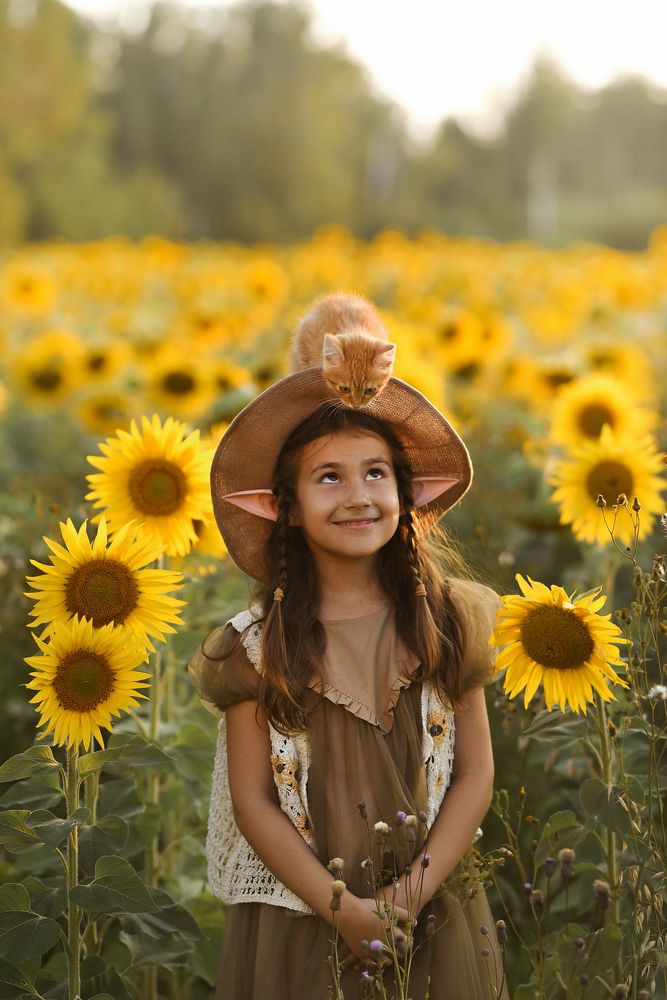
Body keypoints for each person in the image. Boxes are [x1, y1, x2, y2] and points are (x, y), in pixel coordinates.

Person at [187, 367, 509, 999]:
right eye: (329, 477)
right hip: (305, 911)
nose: (358, 494)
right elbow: (254, 801)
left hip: (430, 902)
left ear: (406, 493)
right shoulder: (259, 645)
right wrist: (345, 910)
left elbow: (475, 774)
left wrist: (408, 897)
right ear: (287, 509)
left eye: (376, 472)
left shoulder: (445, 621)